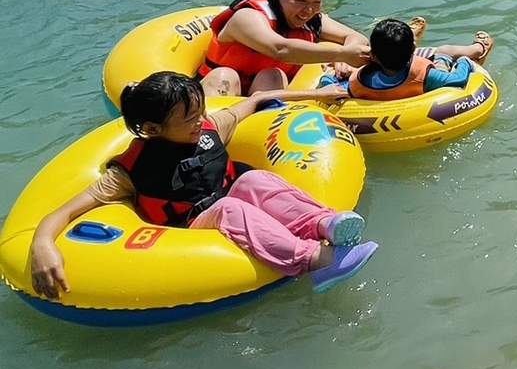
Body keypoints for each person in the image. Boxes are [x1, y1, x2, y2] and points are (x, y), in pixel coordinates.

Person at [27, 72, 379, 301]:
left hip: (228, 202)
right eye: (188, 119)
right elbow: (69, 209)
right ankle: (316, 260)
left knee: (253, 180)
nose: (200, 122)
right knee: (231, 207)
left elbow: (255, 101)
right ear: (152, 129)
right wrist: (43, 242)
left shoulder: (209, 129)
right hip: (189, 232)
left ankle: (324, 224)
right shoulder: (129, 170)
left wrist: (319, 93)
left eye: (200, 113)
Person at [200, 0, 372, 97]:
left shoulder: (313, 20)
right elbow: (280, 49)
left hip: (266, 92)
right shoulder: (247, 17)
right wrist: (340, 53)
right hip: (224, 88)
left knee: (273, 75)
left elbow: (355, 37)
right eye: (301, 1)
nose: (309, 10)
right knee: (225, 75)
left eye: (316, 2)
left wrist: (345, 59)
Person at [321, 18, 495, 99]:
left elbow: (329, 86)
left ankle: (405, 37)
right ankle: (478, 49)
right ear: (413, 49)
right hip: (418, 74)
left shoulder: (359, 82)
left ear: (372, 55)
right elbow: (458, 79)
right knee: (443, 52)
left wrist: (330, 74)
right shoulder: (427, 77)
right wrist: (464, 62)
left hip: (385, 68)